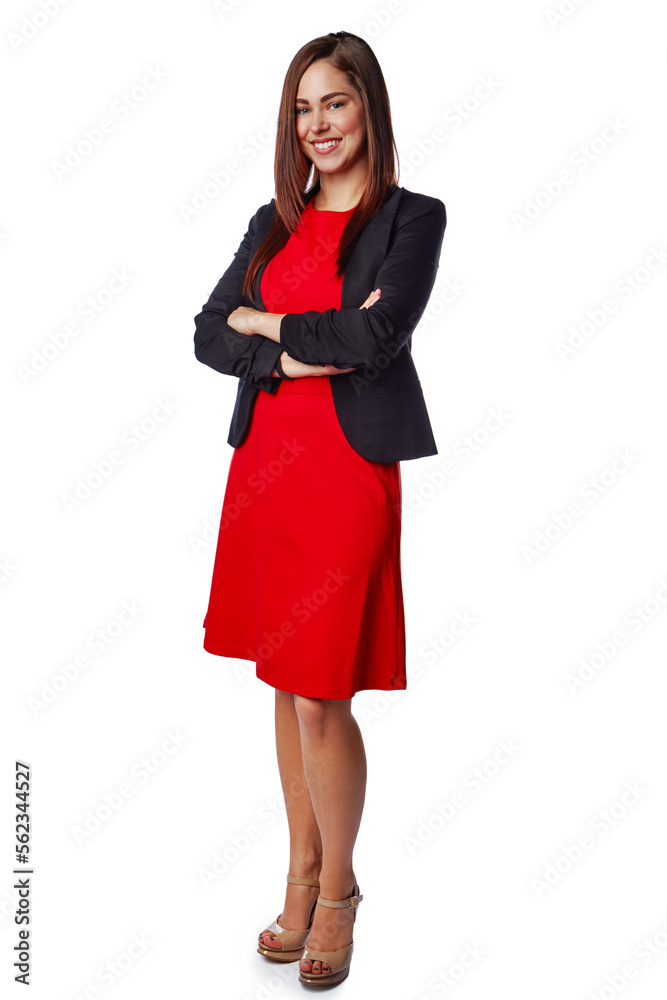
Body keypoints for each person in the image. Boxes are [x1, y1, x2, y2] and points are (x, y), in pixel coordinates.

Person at [193, 30, 446, 987]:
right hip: (268, 468)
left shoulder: (411, 218)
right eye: (303, 108)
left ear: (367, 106)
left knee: (320, 687)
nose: (317, 125)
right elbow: (207, 332)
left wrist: (268, 325)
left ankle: (337, 891)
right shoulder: (273, 219)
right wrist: (289, 348)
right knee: (281, 676)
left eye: (333, 102)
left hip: (344, 470)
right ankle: (297, 875)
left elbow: (376, 334)